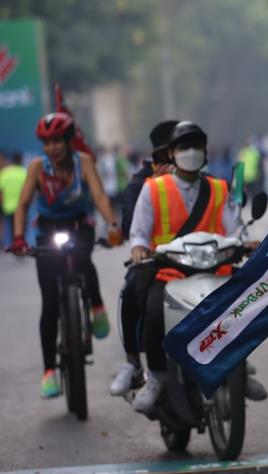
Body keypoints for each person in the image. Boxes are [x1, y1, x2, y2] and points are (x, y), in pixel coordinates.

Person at [126, 121, 241, 411]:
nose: (190, 152)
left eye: (196, 146)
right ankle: (156, 377)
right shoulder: (153, 188)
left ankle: (242, 368)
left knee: (244, 307)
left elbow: (236, 229)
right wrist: (139, 248)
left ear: (205, 151)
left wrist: (245, 242)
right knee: (152, 310)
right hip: (170, 270)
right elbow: (139, 231)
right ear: (173, 153)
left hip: (215, 268)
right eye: (183, 147)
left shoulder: (220, 188)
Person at [8, 113, 122, 398]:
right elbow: (22, 205)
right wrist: (19, 238)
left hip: (78, 226)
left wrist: (113, 226)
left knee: (85, 261)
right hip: (48, 233)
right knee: (49, 303)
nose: (52, 148)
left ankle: (96, 306)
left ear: (68, 141)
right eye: (46, 143)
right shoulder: (36, 167)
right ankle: (49, 371)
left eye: (57, 141)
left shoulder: (83, 162)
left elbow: (99, 197)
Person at [109, 120, 177, 397]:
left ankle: (237, 366)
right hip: (156, 260)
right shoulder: (142, 182)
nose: (175, 160)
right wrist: (157, 185)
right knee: (131, 287)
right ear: (157, 156)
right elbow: (128, 226)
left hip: (201, 257)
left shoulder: (203, 180)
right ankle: (134, 363)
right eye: (168, 154)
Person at [0, 151, 27, 247]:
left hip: (8, 206)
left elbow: (1, 190)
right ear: (21, 160)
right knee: (22, 227)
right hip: (22, 206)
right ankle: (20, 244)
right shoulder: (24, 172)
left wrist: (2, 203)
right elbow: (29, 189)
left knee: (11, 226)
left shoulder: (5, 173)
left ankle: (14, 244)